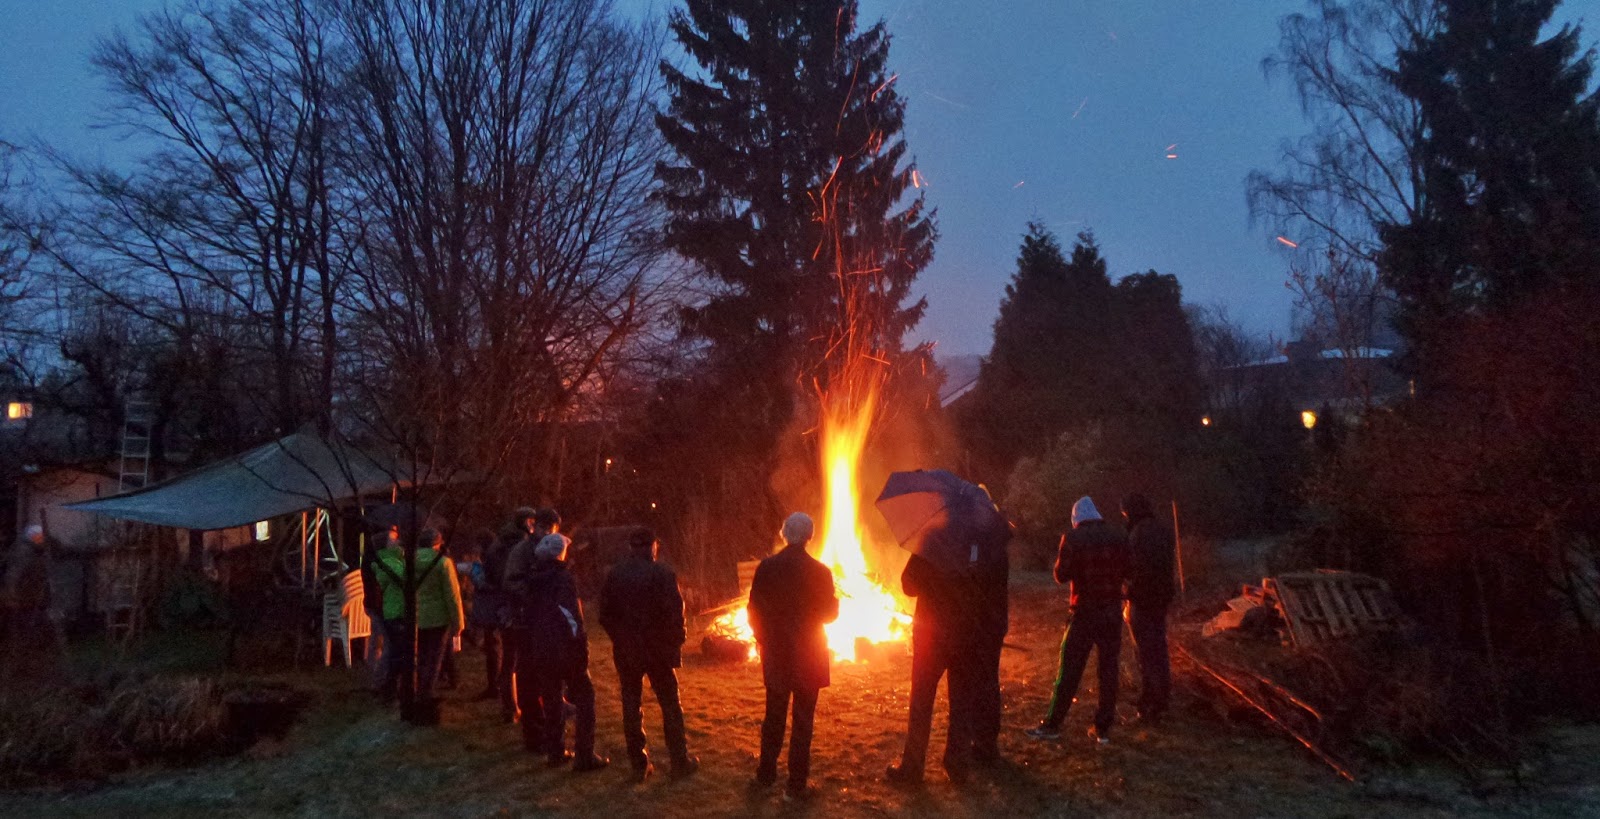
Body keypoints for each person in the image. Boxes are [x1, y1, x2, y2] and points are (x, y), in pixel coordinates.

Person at [747, 512, 839, 801]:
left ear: (785, 534)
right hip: (809, 655)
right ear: (809, 536)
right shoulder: (821, 572)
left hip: (777, 653)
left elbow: (754, 610)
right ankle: (796, 784)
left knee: (773, 714)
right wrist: (834, 603)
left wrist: (763, 640)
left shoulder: (767, 568)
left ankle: (765, 774)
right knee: (803, 721)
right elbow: (828, 614)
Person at [1026, 496, 1129, 745]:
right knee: (1108, 671)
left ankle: (1053, 725)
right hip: (1112, 613)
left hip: (1084, 613)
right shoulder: (1118, 536)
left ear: (1076, 519)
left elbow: (1061, 575)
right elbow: (1130, 570)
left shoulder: (1073, 538)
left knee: (1069, 670)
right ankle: (1102, 728)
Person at [598, 527, 698, 781]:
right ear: (652, 546)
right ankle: (679, 761)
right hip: (657, 651)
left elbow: (605, 614)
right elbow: (676, 611)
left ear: (631, 547)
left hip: (628, 651)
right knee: (670, 705)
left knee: (631, 705)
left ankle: (638, 764)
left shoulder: (615, 574)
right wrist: (675, 641)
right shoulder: (662, 573)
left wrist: (620, 637)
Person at [524, 533, 608, 772]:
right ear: (560, 553)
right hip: (564, 649)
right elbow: (571, 617)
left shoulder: (532, 578)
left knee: (551, 700)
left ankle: (556, 752)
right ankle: (584, 756)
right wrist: (580, 646)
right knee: (585, 698)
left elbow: (528, 615)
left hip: (541, 647)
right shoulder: (562, 578)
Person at [371, 527, 465, 706]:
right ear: (437, 544)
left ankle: (417, 688)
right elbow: (452, 594)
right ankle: (426, 693)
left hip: (416, 617)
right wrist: (458, 621)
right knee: (435, 657)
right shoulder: (442, 562)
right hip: (438, 617)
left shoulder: (408, 561)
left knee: (420, 656)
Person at [505, 507, 560, 749]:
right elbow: (511, 582)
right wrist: (533, 594)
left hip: (545, 621)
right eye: (545, 527)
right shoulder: (523, 551)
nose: (548, 532)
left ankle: (546, 728)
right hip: (527, 621)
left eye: (552, 528)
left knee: (545, 676)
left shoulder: (549, 549)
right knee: (529, 678)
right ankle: (535, 733)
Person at [1122, 492, 1175, 723]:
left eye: (1125, 512)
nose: (1124, 516)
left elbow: (1136, 568)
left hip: (1142, 600)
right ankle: (1160, 698)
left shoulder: (1138, 534)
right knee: (1158, 648)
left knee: (1145, 651)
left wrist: (1127, 589)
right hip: (1161, 598)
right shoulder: (1163, 530)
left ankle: (1150, 704)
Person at [485, 508, 535, 716]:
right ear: (525, 521)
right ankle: (527, 704)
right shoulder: (522, 545)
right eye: (532, 521)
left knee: (508, 657)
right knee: (524, 657)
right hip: (518, 604)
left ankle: (509, 706)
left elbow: (489, 573)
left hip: (502, 604)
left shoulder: (497, 544)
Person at [1, 524, 61, 683]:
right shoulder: (24, 554)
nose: (40, 541)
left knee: (31, 633)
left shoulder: (35, 553)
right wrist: (14, 600)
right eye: (37, 538)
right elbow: (14, 579)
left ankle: (27, 667)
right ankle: (21, 669)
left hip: (31, 602)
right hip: (23, 603)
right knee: (23, 634)